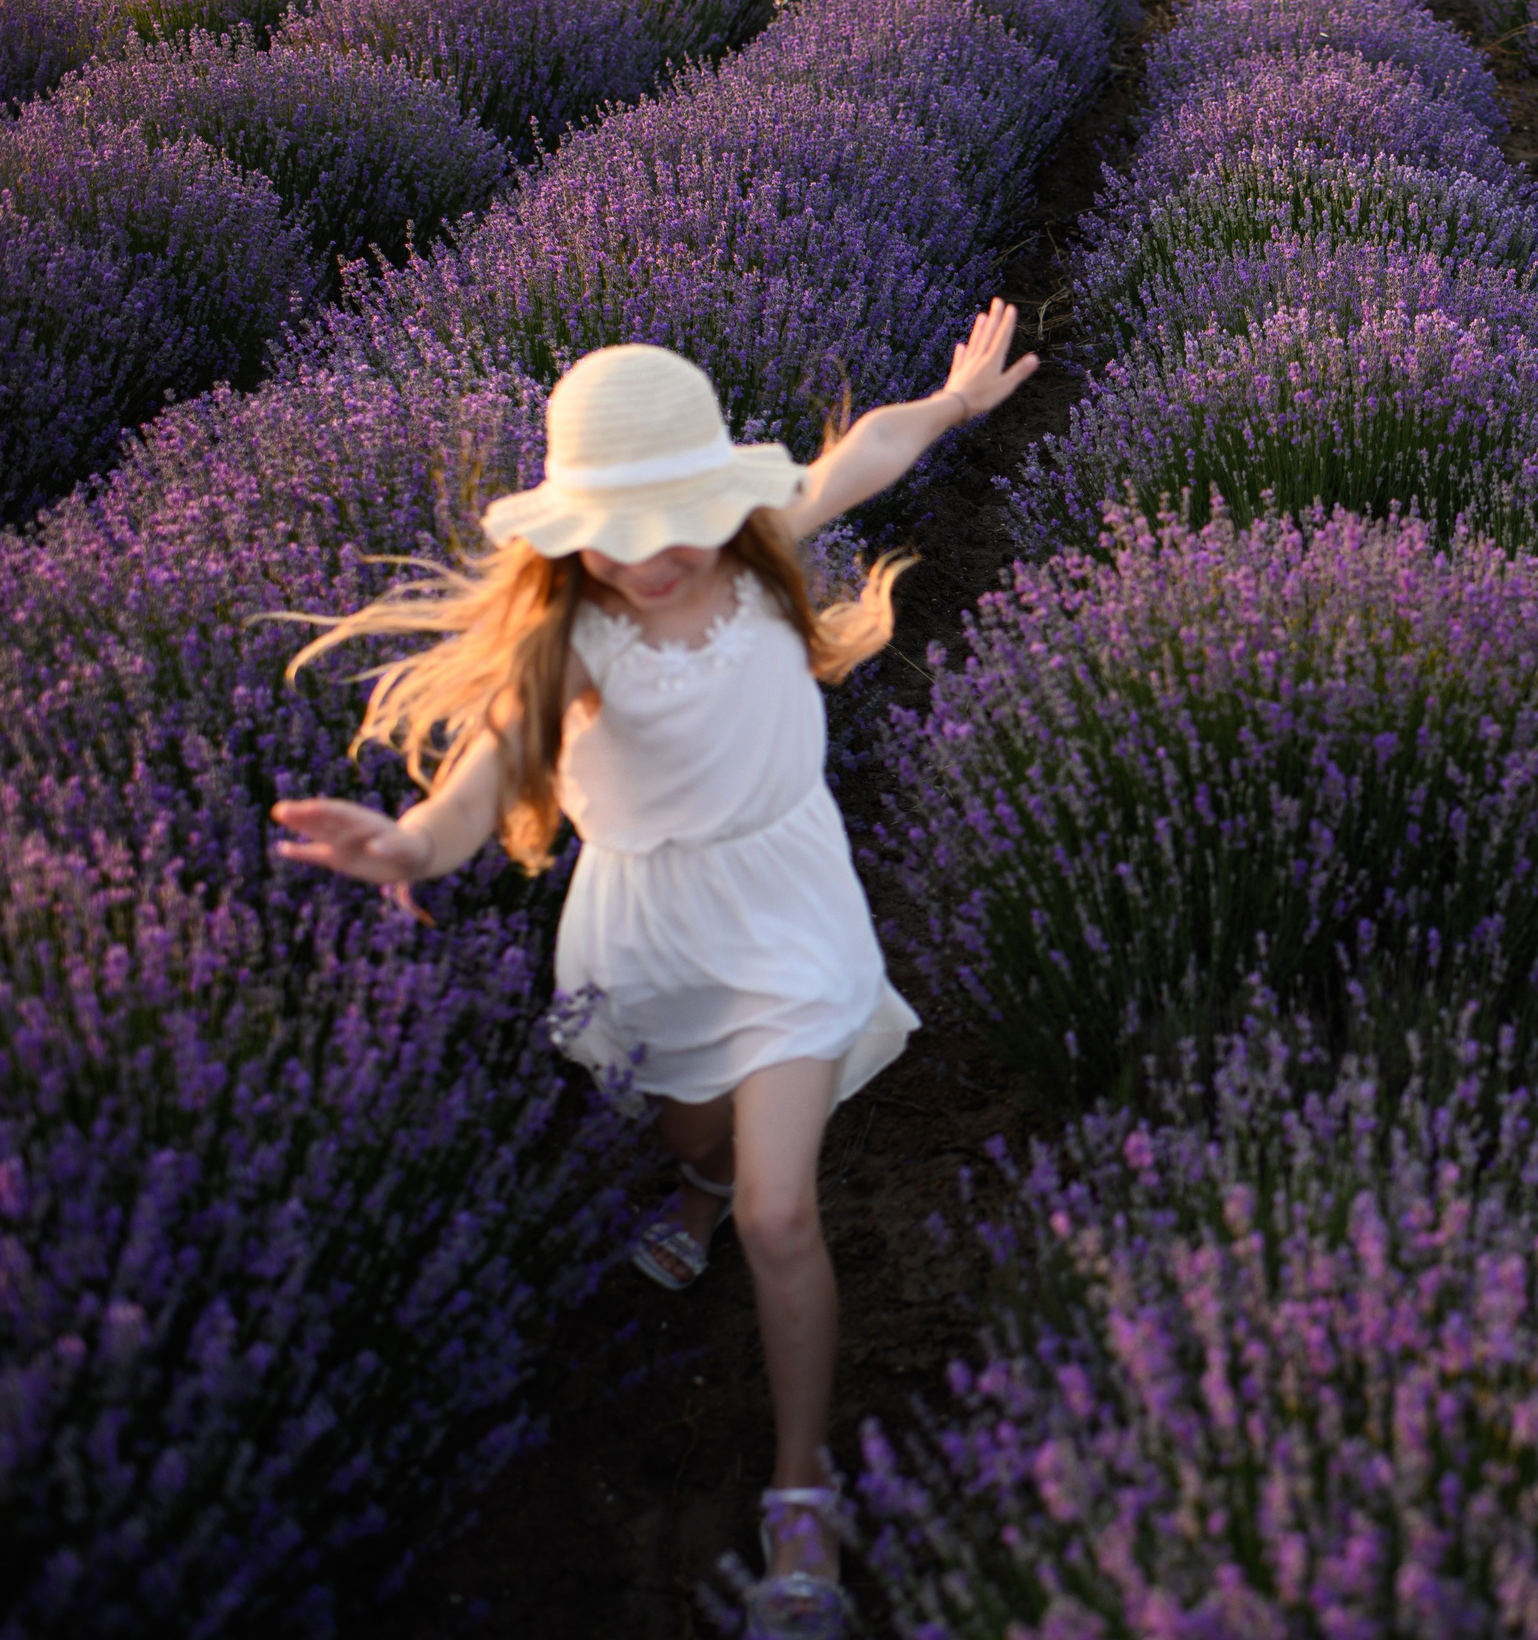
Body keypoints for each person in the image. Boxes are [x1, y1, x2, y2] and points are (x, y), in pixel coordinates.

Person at [269, 301, 1038, 1619]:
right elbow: (476, 788)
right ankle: (696, 1181)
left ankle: (800, 1490)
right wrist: (402, 846)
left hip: (786, 906)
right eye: (617, 534)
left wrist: (956, 401)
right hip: (647, 928)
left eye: (676, 520)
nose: (653, 556)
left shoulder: (756, 549)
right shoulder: (567, 638)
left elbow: (864, 451)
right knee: (688, 1130)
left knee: (780, 1212)